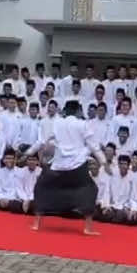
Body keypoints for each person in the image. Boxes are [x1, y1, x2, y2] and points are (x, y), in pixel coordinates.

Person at [28, 100, 106, 235]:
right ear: (78, 111)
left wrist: (29, 152)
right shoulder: (83, 124)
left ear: (65, 111)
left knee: (42, 187)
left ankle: (36, 223)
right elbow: (94, 146)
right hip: (76, 165)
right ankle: (88, 228)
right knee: (90, 189)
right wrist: (104, 161)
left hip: (58, 166)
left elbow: (43, 141)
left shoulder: (57, 123)